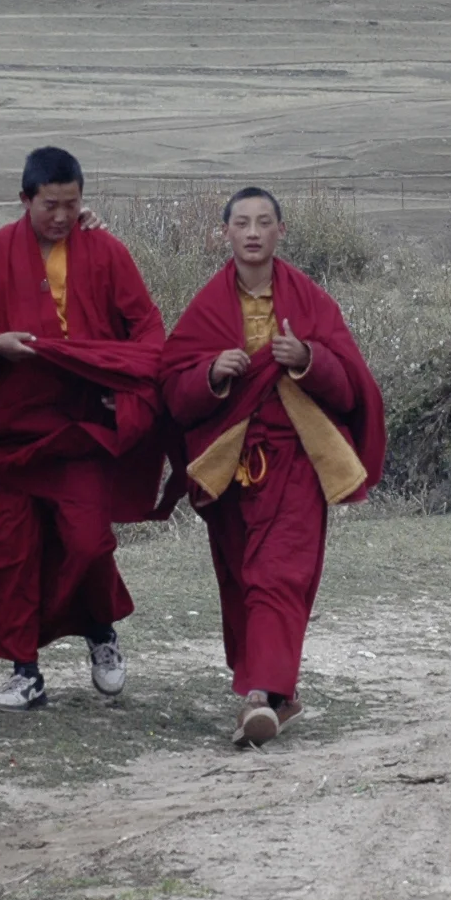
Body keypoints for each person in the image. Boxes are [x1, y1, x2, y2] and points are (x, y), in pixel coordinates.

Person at [161, 187, 384, 747]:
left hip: (296, 461)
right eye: (242, 222)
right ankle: (278, 693)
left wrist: (308, 360)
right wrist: (213, 373)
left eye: (264, 222)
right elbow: (173, 387)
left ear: (281, 231)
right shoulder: (208, 306)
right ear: (226, 234)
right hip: (231, 466)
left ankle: (259, 695)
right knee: (241, 576)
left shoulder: (310, 302)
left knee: (279, 575)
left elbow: (353, 386)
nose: (253, 232)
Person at [0, 146, 168, 709]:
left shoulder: (105, 250)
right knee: (6, 549)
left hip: (81, 425)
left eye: (71, 204)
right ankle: (24, 670)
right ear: (25, 199)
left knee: (86, 541)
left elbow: (148, 332)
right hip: (16, 425)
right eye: (49, 205)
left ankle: (101, 631)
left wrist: (119, 384)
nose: (60, 216)